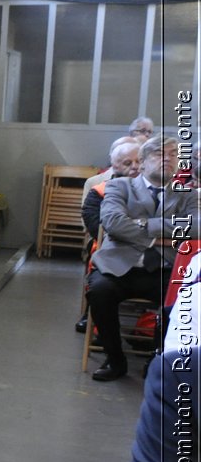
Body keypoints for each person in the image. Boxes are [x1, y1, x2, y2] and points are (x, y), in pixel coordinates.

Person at [87, 135, 195, 381]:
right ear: (143, 162)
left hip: (166, 267)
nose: (167, 158)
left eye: (172, 155)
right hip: (120, 265)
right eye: (159, 154)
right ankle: (115, 360)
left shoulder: (186, 195)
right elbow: (113, 224)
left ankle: (156, 361)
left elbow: (196, 227)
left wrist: (144, 225)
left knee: (183, 299)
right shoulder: (119, 186)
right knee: (99, 291)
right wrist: (161, 236)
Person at [77, 138, 142, 333]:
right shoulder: (98, 188)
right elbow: (97, 226)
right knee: (101, 283)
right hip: (109, 248)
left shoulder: (156, 190)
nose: (135, 167)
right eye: (128, 162)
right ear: (115, 164)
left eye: (139, 161)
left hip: (149, 254)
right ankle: (95, 322)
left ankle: (152, 332)